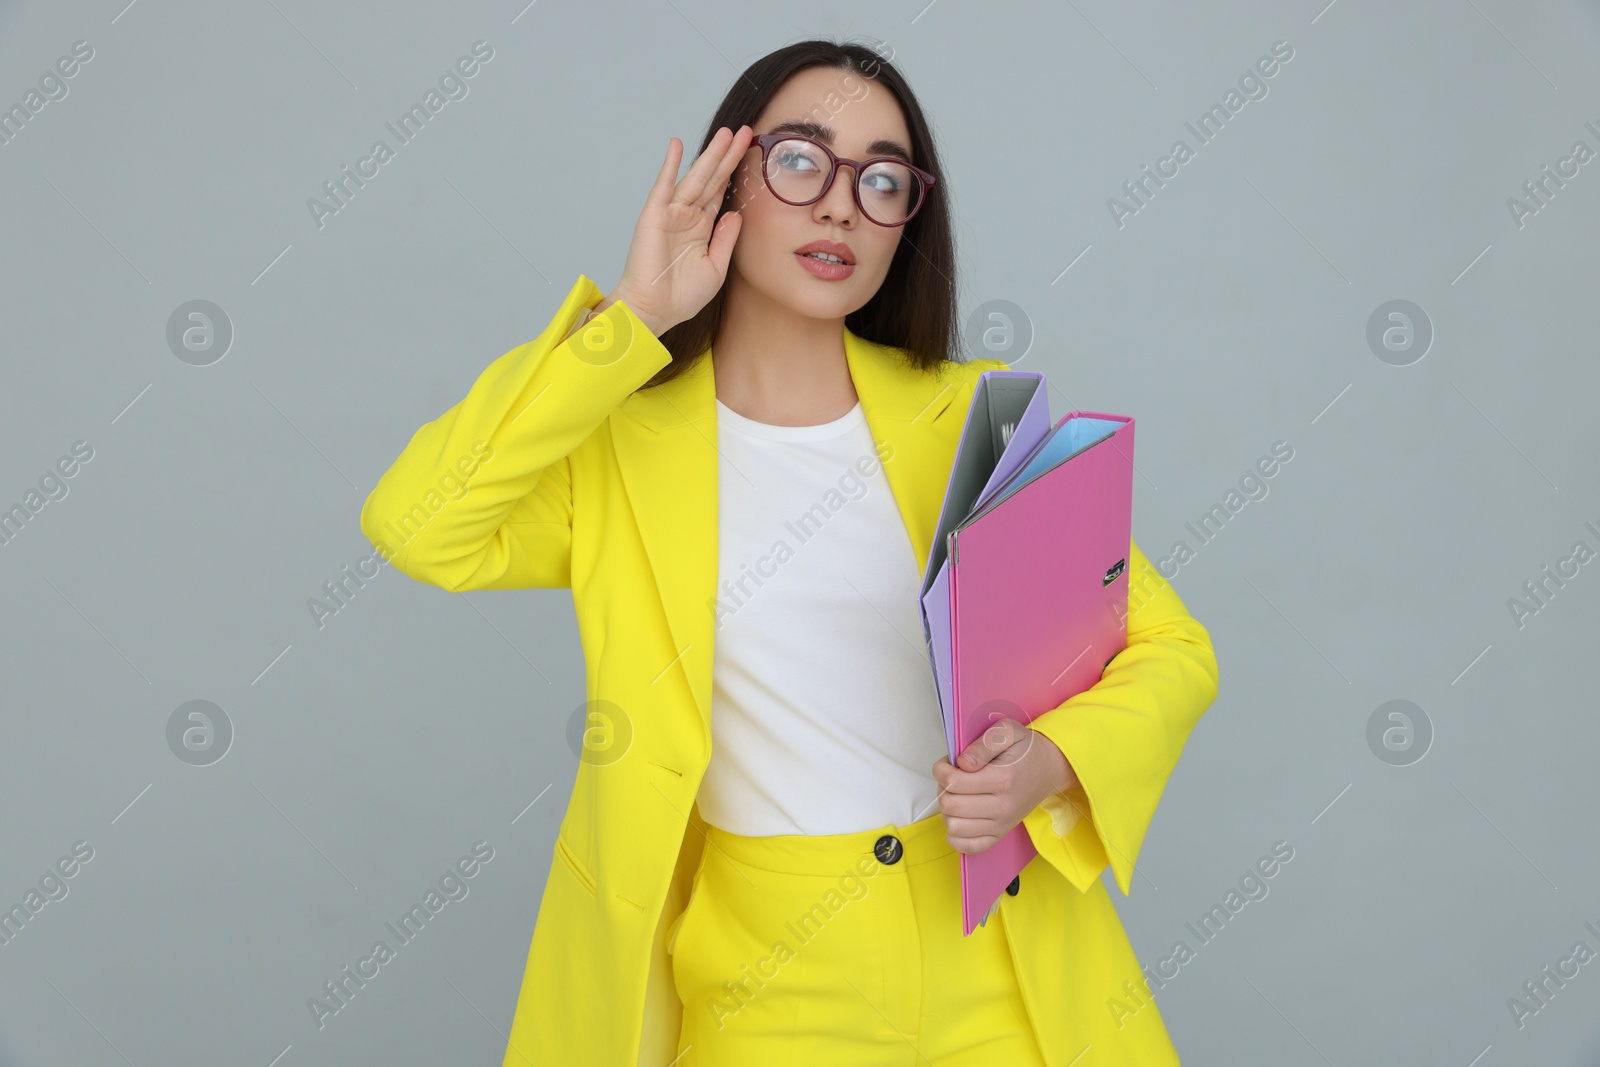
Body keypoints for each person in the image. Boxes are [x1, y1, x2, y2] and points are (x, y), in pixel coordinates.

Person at [359, 38, 1218, 1067]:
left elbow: (1171, 648)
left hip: (998, 964)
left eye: (883, 178)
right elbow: (418, 523)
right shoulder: (619, 448)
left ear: (910, 219)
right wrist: (629, 319)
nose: (842, 205)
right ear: (729, 180)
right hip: (764, 980)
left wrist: (1052, 759)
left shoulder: (969, 423)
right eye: (801, 160)